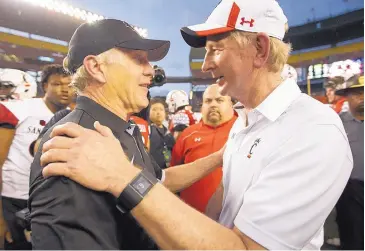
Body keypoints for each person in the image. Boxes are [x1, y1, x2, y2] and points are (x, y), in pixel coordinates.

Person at [39, 1, 352, 249]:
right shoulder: (246, 123)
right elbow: (213, 202)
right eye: (139, 59)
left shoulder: (313, 131)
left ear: (259, 49)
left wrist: (122, 175)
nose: (204, 65)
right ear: (95, 67)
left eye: (216, 49)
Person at [29, 19, 224, 250]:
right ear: (96, 67)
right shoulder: (74, 145)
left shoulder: (121, 129)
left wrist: (221, 156)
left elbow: (160, 181)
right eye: (138, 59)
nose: (151, 70)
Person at [0, 65, 72, 249]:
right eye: (57, 84)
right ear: (44, 86)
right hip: (13, 199)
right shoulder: (20, 110)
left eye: (70, 85)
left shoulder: (74, 116)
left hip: (48, 201)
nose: (65, 89)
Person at [171, 84, 237, 213]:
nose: (213, 104)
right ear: (202, 106)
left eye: (219, 100)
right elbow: (173, 176)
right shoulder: (186, 136)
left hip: (235, 223)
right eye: (208, 101)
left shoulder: (244, 131)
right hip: (192, 220)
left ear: (231, 104)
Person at [334, 75, 364, 250]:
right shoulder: (337, 123)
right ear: (347, 96)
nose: (362, 97)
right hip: (349, 191)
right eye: (357, 94)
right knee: (352, 237)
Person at [149, 98, 175, 169]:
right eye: (154, 109)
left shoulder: (168, 133)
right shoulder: (147, 131)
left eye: (161, 109)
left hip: (167, 171)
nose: (158, 112)